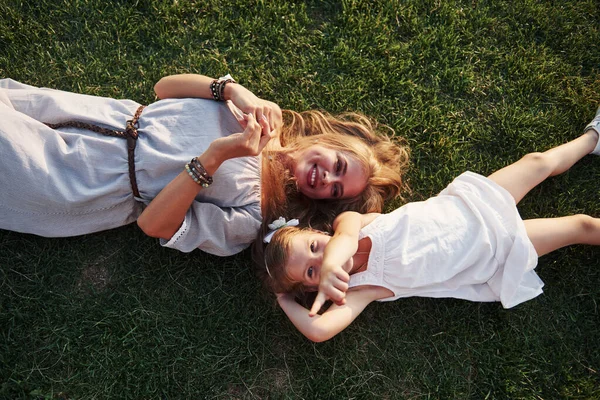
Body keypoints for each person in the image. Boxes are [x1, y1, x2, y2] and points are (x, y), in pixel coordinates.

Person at [260, 108, 600, 342]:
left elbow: (343, 242)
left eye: (315, 249)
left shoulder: (349, 224)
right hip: (491, 252)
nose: (322, 262)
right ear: (311, 289)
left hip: (470, 205)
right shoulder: (362, 289)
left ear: (319, 233)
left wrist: (332, 262)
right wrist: (284, 299)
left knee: (537, 162)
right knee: (579, 227)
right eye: (311, 273)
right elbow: (319, 331)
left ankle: (592, 139)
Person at [0, 75, 409, 256]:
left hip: (81, 181)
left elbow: (155, 226)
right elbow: (163, 89)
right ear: (325, 141)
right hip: (86, 113)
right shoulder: (260, 115)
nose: (327, 178)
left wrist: (216, 157)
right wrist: (232, 90)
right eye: (337, 165)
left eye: (336, 189)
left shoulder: (253, 214)